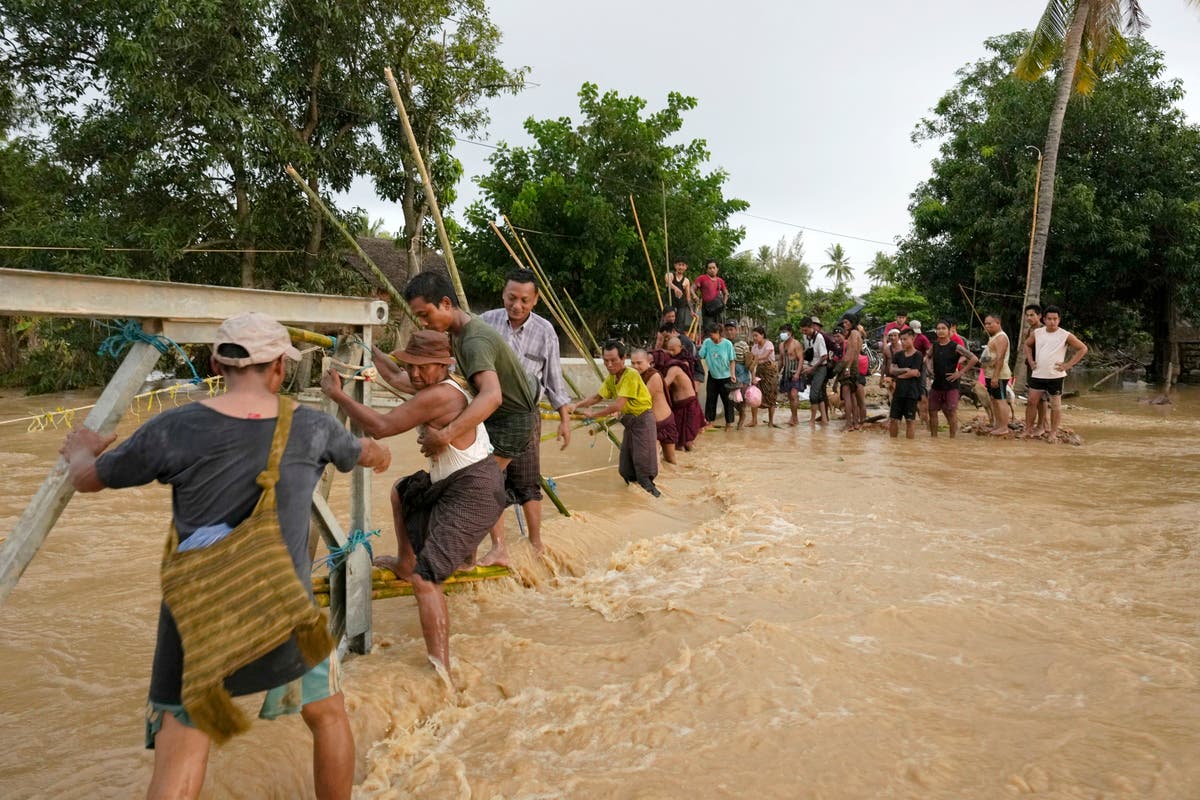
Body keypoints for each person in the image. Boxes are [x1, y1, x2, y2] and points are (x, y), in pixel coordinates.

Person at [61, 312, 391, 800]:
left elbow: (88, 479)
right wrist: (377, 454)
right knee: (326, 716)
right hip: (285, 610)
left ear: (217, 364)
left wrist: (83, 450)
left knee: (184, 746)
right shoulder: (312, 428)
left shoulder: (173, 428)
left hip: (199, 618)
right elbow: (364, 452)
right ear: (280, 368)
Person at [322, 330, 505, 669]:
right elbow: (394, 375)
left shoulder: (440, 396)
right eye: (413, 366)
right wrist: (367, 345)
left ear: (443, 365)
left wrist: (337, 394)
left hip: (474, 491)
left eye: (423, 368)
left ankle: (441, 671)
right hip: (454, 485)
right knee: (404, 490)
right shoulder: (432, 385)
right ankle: (407, 561)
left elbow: (380, 427)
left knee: (426, 580)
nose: (416, 374)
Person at [373, 272, 539, 568]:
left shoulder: (473, 339)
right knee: (480, 480)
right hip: (496, 414)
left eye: (425, 315)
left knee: (482, 483)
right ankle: (472, 552)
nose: (423, 323)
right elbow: (402, 379)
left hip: (511, 419)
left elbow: (491, 396)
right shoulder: (457, 334)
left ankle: (495, 549)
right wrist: (369, 350)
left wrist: (446, 434)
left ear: (446, 304)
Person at [479, 268, 572, 559]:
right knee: (491, 479)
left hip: (527, 416)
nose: (516, 306)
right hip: (489, 414)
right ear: (503, 295)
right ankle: (498, 548)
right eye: (511, 298)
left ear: (535, 300)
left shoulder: (545, 331)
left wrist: (565, 420)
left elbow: (554, 379)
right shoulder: (485, 323)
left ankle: (536, 545)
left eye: (524, 300)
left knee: (529, 483)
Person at [569, 341, 660, 496]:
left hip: (642, 422)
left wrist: (593, 415)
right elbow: (597, 397)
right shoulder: (612, 378)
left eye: (613, 360)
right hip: (630, 423)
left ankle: (655, 499)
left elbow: (618, 406)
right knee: (626, 470)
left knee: (643, 471)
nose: (609, 365)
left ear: (623, 358)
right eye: (606, 361)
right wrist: (576, 406)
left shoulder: (631, 375)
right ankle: (632, 505)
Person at [1023, 305, 1089, 442]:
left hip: (1056, 376)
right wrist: (1030, 360)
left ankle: (1052, 433)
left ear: (1059, 320)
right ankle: (1028, 429)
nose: (1052, 322)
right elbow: (1027, 345)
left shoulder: (1065, 335)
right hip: (1038, 374)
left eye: (1055, 319)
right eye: (1049, 319)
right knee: (1031, 402)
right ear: (1044, 319)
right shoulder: (1037, 333)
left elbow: (1083, 348)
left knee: (1056, 405)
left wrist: (1068, 365)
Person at [925, 319, 979, 438]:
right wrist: (929, 369)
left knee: (951, 411)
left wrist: (960, 373)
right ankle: (933, 437)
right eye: (938, 329)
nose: (940, 331)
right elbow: (927, 357)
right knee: (932, 411)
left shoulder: (955, 346)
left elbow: (974, 358)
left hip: (951, 384)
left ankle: (952, 438)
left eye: (943, 328)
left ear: (949, 331)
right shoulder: (934, 346)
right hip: (937, 384)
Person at [631, 348, 677, 464]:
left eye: (639, 363)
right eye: (633, 363)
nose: (635, 366)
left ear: (649, 362)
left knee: (670, 459)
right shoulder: (634, 377)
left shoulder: (654, 376)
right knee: (654, 461)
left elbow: (641, 400)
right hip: (651, 424)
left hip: (665, 421)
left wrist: (619, 409)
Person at [664, 336, 705, 450]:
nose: (671, 353)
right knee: (678, 442)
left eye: (673, 350)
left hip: (688, 404)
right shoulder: (672, 363)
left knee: (687, 442)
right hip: (678, 406)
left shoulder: (679, 365)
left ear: (681, 348)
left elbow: (663, 384)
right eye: (669, 350)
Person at [698, 323, 737, 429]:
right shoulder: (707, 342)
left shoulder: (727, 344)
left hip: (726, 377)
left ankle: (728, 424)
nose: (712, 336)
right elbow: (700, 356)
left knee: (727, 402)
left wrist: (733, 374)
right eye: (710, 334)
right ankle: (710, 422)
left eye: (714, 333)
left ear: (720, 333)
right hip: (713, 376)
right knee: (711, 399)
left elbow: (732, 360)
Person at [888, 327, 924, 439]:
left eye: (905, 339)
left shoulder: (918, 355)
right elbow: (891, 370)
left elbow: (914, 372)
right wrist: (906, 370)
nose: (902, 342)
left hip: (912, 392)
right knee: (893, 419)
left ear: (912, 339)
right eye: (901, 339)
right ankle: (893, 444)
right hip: (898, 392)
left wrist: (899, 374)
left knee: (910, 420)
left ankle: (909, 445)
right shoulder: (898, 355)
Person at [981, 313, 1013, 434]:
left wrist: (995, 376)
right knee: (994, 399)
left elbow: (1000, 358)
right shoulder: (993, 337)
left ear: (998, 323)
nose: (987, 326)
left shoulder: (1001, 337)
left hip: (999, 374)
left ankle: (1004, 427)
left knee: (1001, 399)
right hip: (990, 373)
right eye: (985, 324)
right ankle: (998, 425)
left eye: (990, 323)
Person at [835, 314, 866, 431]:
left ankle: (849, 424)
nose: (844, 324)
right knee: (854, 397)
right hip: (855, 366)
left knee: (848, 396)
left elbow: (852, 352)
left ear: (852, 323)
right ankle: (858, 423)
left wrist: (846, 367)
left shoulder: (853, 334)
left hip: (851, 366)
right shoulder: (857, 334)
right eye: (844, 323)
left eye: (847, 322)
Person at [1023, 303, 1050, 434]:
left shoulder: (1043, 330)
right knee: (1034, 398)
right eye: (1027, 315)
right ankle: (1038, 425)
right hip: (1031, 366)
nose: (1029, 318)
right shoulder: (1029, 330)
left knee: (1042, 398)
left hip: (1041, 368)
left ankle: (1041, 425)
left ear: (1039, 316)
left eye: (1032, 315)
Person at [799, 316, 830, 425]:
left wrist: (812, 368)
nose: (804, 332)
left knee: (813, 394)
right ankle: (824, 419)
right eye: (802, 330)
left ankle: (812, 419)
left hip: (820, 368)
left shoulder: (820, 338)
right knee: (819, 393)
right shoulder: (805, 337)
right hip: (810, 367)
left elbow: (824, 356)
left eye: (806, 330)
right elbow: (807, 350)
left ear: (812, 327)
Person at [748, 325, 778, 427]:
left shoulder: (769, 344)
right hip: (758, 372)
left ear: (762, 335)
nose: (754, 338)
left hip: (770, 373)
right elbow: (753, 364)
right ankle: (754, 420)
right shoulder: (754, 347)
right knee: (753, 396)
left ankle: (770, 421)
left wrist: (754, 359)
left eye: (756, 335)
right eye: (753, 336)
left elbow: (765, 356)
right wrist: (752, 377)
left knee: (771, 396)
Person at [725, 321, 752, 429]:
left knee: (740, 398)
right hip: (727, 372)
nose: (729, 332)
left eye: (731, 329)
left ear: (736, 330)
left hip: (741, 372)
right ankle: (732, 420)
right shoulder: (724, 343)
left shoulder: (743, 344)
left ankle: (742, 416)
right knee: (730, 399)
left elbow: (749, 361)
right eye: (727, 330)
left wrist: (752, 376)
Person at [777, 323, 804, 426]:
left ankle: (795, 418)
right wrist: (777, 372)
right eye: (781, 332)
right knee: (790, 396)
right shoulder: (781, 345)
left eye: (785, 332)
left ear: (790, 333)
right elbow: (780, 360)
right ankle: (793, 416)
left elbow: (801, 359)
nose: (783, 334)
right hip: (786, 373)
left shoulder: (796, 344)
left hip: (795, 372)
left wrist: (797, 373)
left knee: (793, 394)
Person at [693, 259, 729, 331]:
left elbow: (726, 293)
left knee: (719, 329)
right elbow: (692, 289)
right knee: (709, 329)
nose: (712, 270)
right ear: (707, 269)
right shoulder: (702, 278)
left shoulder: (720, 281)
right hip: (707, 309)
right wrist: (694, 295)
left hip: (718, 309)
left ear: (717, 269)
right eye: (710, 268)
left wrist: (724, 304)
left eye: (714, 268)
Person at [909, 319, 931, 423]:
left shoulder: (922, 338)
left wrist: (924, 359)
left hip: (921, 365)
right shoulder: (909, 338)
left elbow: (928, 352)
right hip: (910, 365)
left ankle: (923, 406)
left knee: (922, 385)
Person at [665, 258, 694, 333]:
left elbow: (688, 297)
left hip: (681, 306)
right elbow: (668, 283)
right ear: (675, 266)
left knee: (680, 327)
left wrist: (691, 310)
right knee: (668, 325)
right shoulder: (670, 275)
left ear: (686, 267)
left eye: (683, 265)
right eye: (679, 265)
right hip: (670, 306)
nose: (681, 267)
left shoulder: (686, 281)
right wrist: (675, 288)